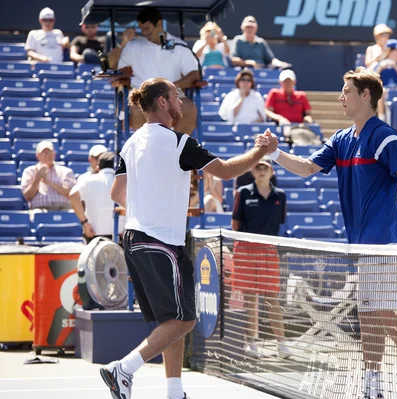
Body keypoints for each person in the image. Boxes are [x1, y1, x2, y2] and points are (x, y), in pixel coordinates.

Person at [258, 68, 397, 399]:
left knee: (375, 311)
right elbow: (307, 168)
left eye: (347, 91)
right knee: (376, 311)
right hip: (362, 242)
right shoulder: (341, 140)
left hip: (384, 240)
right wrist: (274, 153)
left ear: (366, 96)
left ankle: (381, 383)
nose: (341, 97)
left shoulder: (384, 136)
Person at [102, 77, 277, 399]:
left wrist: (151, 201)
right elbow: (225, 171)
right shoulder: (180, 143)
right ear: (163, 103)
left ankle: (174, 392)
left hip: (135, 238)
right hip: (161, 241)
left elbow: (116, 192)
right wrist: (261, 150)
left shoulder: (130, 142)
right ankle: (123, 369)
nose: (181, 102)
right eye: (176, 97)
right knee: (184, 320)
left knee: (172, 319)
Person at [230, 157, 290, 358]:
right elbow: (235, 223)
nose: (262, 171)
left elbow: (279, 222)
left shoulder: (280, 196)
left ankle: (282, 345)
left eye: (265, 168)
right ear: (253, 172)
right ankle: (251, 343)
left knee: (272, 298)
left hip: (268, 251)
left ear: (272, 171)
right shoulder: (243, 192)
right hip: (246, 251)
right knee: (250, 300)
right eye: (258, 168)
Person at [109, 7, 199, 135]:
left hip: (172, 95)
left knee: (189, 108)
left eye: (147, 29)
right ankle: (146, 150)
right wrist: (122, 43)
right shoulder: (134, 46)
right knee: (137, 108)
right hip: (143, 96)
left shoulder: (179, 45)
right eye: (142, 29)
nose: (145, 33)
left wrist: (172, 87)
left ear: (159, 24)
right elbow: (109, 64)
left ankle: (176, 149)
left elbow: (195, 74)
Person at [69, 152, 124, 243]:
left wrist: (84, 223)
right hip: (119, 236)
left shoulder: (87, 180)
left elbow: (73, 195)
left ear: (98, 167)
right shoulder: (124, 182)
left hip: (93, 236)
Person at [21, 140, 76, 212]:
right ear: (37, 156)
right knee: (36, 213)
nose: (47, 155)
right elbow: (28, 196)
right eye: (43, 152)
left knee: (72, 213)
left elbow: (71, 193)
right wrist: (37, 178)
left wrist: (49, 182)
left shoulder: (65, 171)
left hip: (63, 208)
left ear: (54, 154)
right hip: (39, 209)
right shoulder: (30, 171)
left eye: (49, 152)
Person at [373, 39, 397, 120]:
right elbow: (373, 82)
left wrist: (396, 67)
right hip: (385, 90)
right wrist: (380, 68)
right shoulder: (379, 65)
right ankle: (382, 118)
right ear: (389, 51)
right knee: (382, 92)